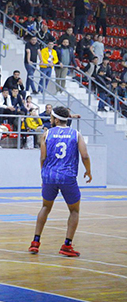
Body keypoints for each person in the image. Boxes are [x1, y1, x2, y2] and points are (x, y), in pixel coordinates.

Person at [28, 106, 92, 257]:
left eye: (51, 117)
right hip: (67, 177)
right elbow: (85, 156)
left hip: (49, 176)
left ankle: (35, 242)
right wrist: (88, 171)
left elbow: (43, 157)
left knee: (45, 207)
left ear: (56, 120)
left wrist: (44, 176)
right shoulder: (76, 134)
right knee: (74, 211)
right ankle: (67, 245)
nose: (50, 120)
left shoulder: (47, 134)